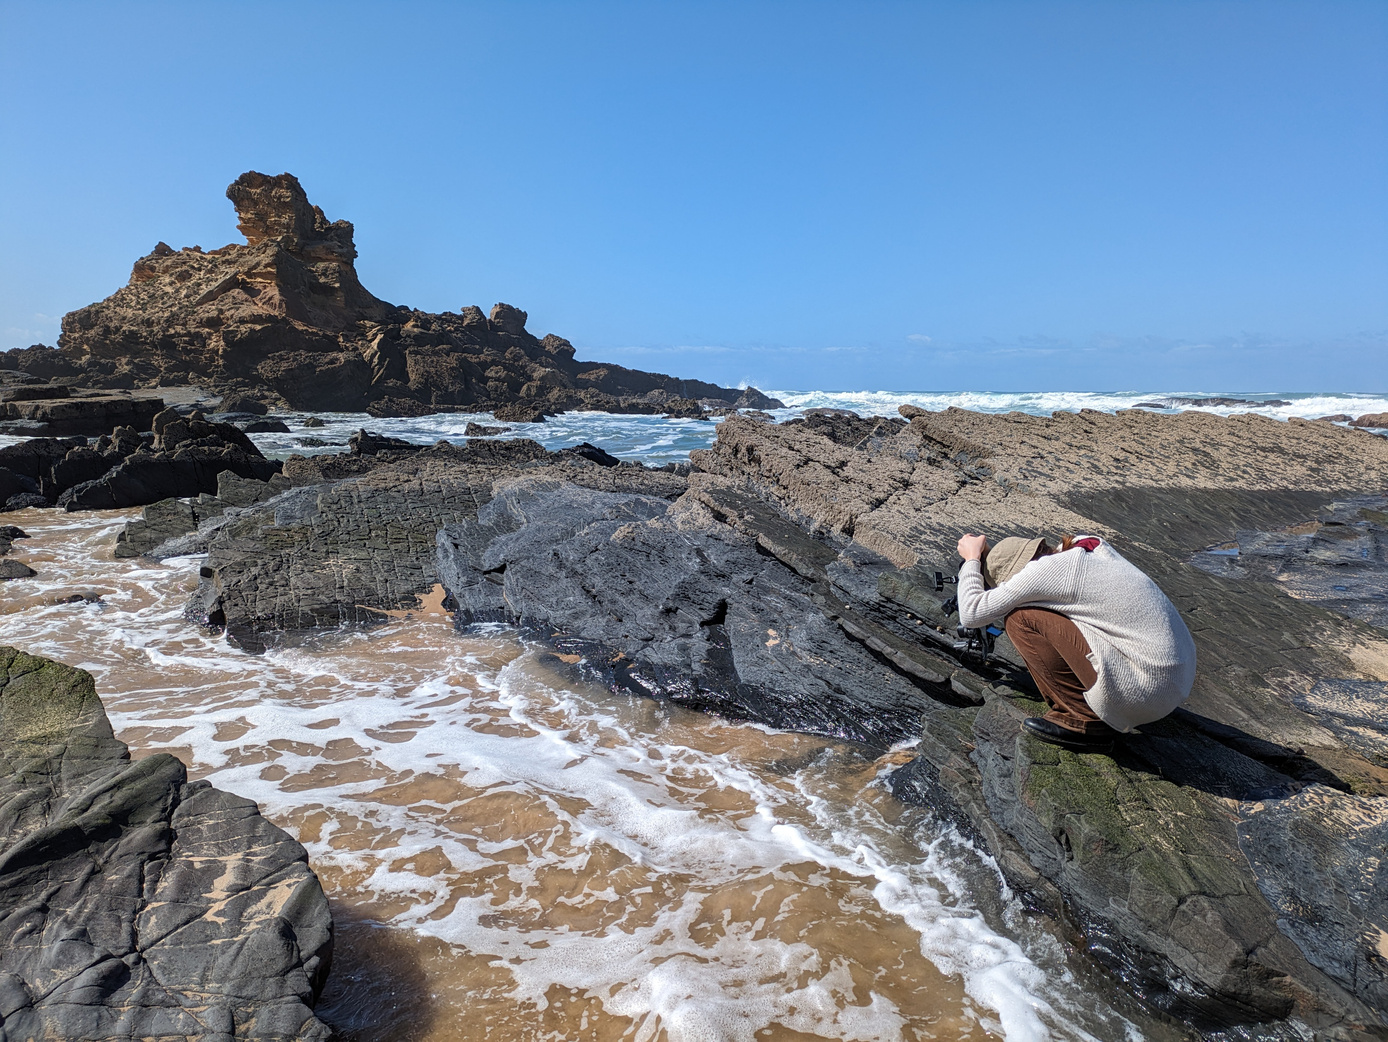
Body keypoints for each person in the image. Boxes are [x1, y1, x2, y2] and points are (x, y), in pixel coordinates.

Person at [954, 531, 1196, 752]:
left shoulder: (1044, 571)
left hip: (1144, 690)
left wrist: (972, 560)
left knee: (1020, 619)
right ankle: (1097, 705)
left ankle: (1084, 720)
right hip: (1173, 682)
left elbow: (971, 614)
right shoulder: (1086, 547)